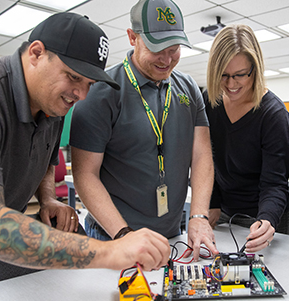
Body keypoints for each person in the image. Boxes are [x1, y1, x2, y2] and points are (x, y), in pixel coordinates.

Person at [0, 12, 171, 294]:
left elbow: (45, 161)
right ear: (36, 53)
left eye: (89, 84)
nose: (81, 95)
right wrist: (111, 252)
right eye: (73, 76)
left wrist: (47, 197)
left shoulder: (52, 105)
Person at [70, 0, 217, 260]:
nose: (166, 59)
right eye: (157, 49)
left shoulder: (189, 88)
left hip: (172, 234)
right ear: (132, 37)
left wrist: (198, 216)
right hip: (113, 236)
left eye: (174, 49)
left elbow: (202, 155)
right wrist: (124, 236)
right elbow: (85, 174)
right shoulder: (102, 93)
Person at [204, 25, 289, 253]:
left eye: (240, 75)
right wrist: (213, 202)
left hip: (266, 214)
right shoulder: (209, 103)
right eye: (223, 75)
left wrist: (266, 221)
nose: (231, 84)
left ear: (256, 68)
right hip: (225, 209)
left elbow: (274, 184)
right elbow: (206, 160)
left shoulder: (274, 115)